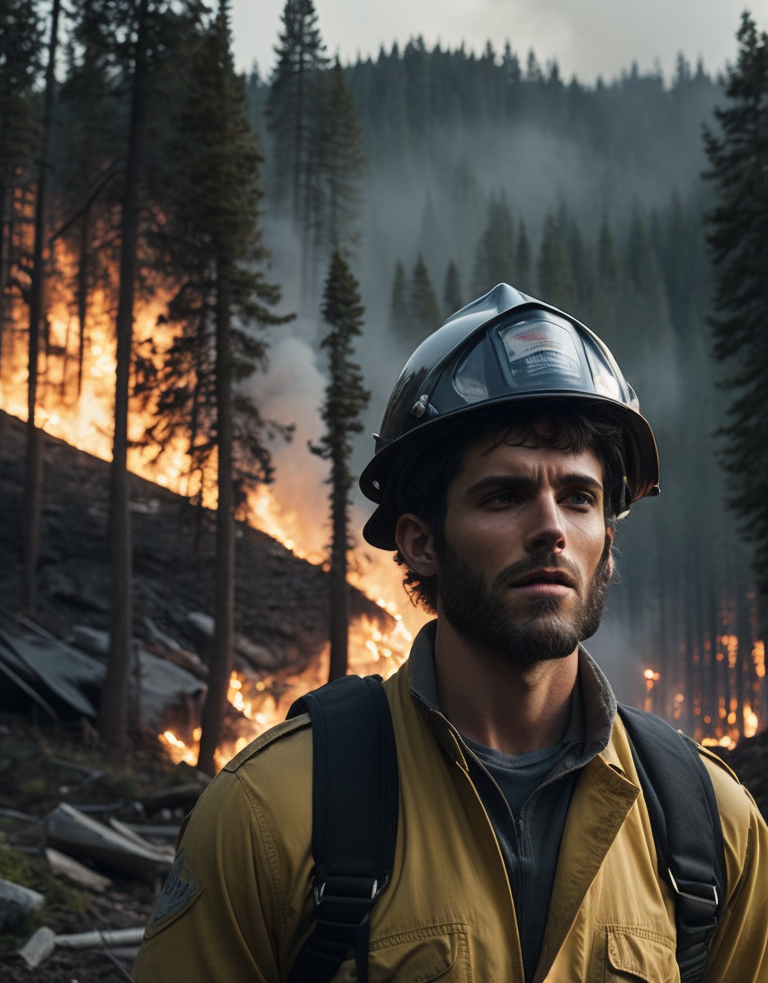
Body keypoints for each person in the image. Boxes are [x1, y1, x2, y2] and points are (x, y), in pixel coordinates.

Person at [133, 284, 768, 982]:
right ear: (420, 543)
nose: (552, 527)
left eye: (579, 497)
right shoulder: (271, 811)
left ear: (606, 542)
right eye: (504, 495)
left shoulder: (710, 825)